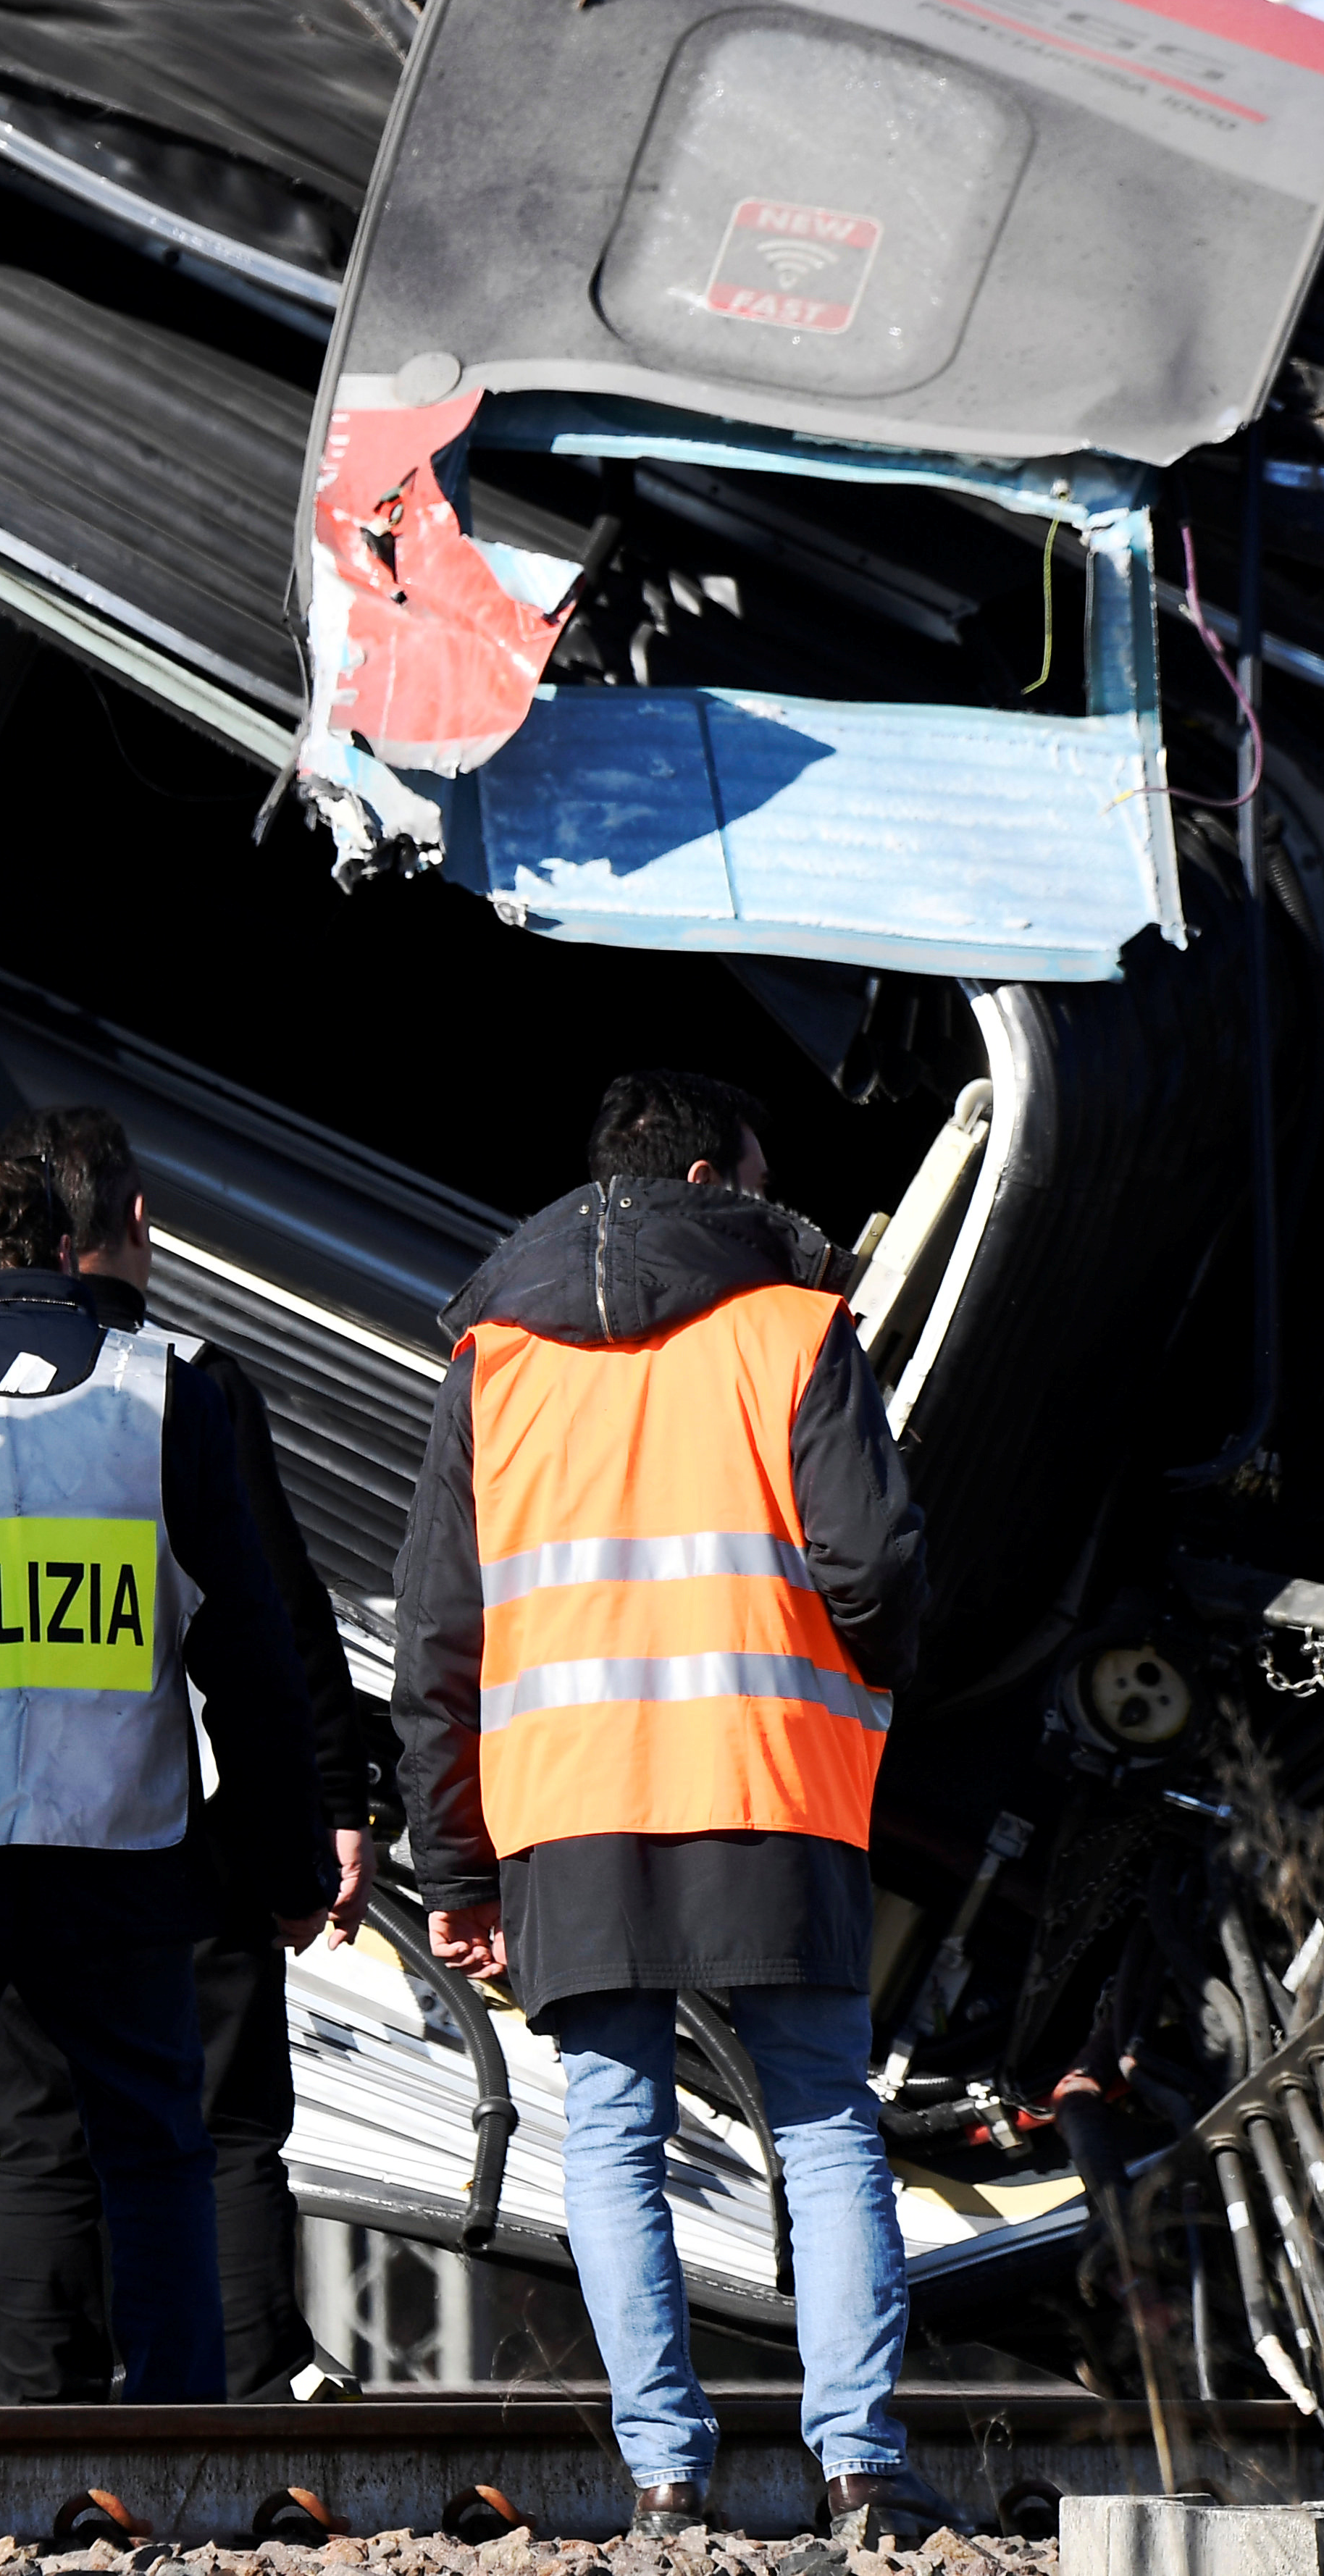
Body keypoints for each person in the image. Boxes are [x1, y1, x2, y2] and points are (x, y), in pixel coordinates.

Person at [389, 1070, 935, 2541]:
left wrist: (454, 1860)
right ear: (710, 1182)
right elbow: (876, 1565)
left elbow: (440, 1624)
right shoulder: (795, 1329)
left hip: (569, 1803)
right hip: (768, 1777)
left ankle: (666, 2470)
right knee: (822, 2123)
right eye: (755, 1184)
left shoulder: (493, 1359)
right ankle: (861, 2460)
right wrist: (876, 1663)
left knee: (614, 2132)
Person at [0, 1151, 332, 2404]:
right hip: (119, 1856)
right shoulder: (165, 1391)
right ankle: (179, 2440)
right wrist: (288, 1863)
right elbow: (249, 1649)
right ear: (62, 1253)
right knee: (154, 2151)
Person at [0, 1106, 373, 2404]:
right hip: (169, 1828)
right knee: (223, 2120)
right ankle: (246, 2391)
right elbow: (270, 1625)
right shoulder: (185, 1381)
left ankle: (40, 2423)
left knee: (40, 2141)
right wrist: (321, 1814)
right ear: (136, 1223)